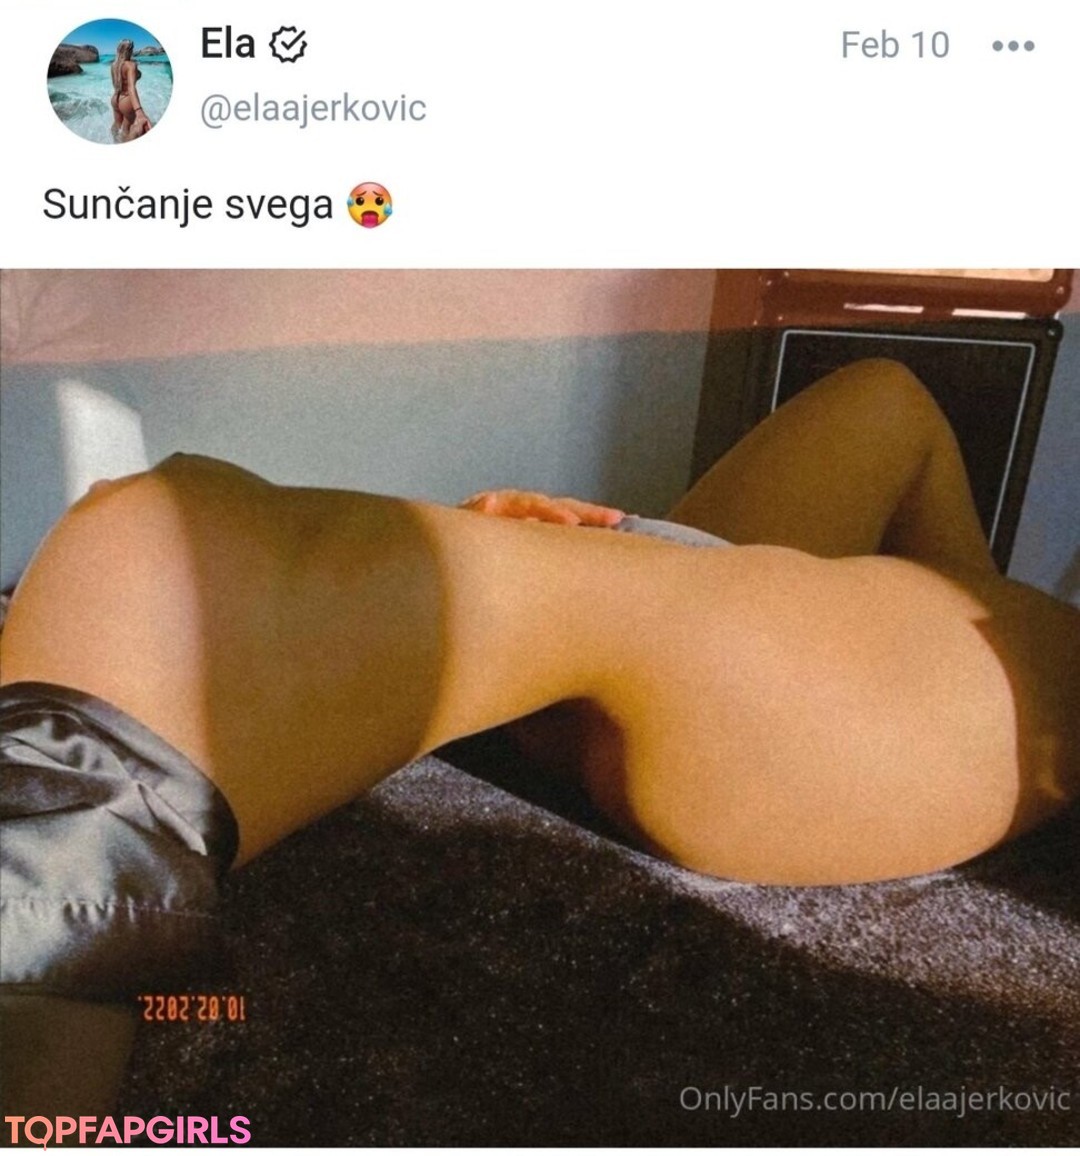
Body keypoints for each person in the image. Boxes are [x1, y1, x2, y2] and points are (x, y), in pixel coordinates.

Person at [1, 359, 1078, 1114]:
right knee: (888, 393)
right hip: (891, 638)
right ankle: (671, 583)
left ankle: (45, 940)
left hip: (944, 702)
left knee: (157, 545)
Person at [110, 39, 151, 142]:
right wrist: (139, 111)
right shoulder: (131, 65)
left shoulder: (114, 65)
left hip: (115, 98)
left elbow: (116, 84)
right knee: (127, 130)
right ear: (130, 50)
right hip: (126, 100)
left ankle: (113, 141)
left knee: (117, 124)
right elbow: (131, 87)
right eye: (132, 49)